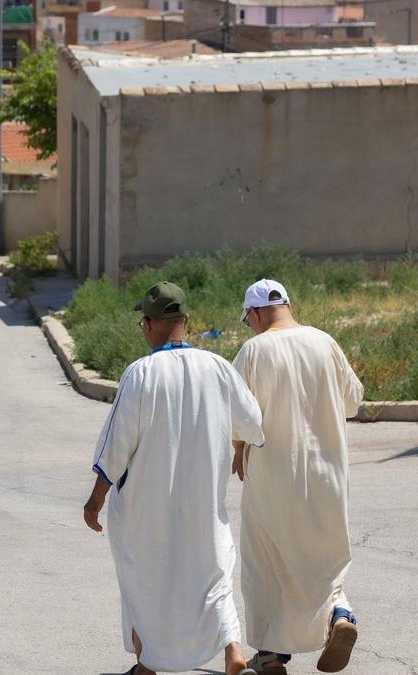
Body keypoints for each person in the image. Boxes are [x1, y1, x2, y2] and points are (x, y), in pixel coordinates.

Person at [83, 282, 264, 675]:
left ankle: (147, 664)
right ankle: (233, 652)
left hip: (144, 510)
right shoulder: (217, 368)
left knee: (142, 580)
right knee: (213, 575)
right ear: (186, 321)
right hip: (204, 503)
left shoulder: (140, 374)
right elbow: (253, 423)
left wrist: (95, 499)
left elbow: (116, 446)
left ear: (147, 325)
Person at [232, 280, 364, 674]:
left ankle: (272, 654)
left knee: (268, 563)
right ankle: (340, 614)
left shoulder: (253, 350)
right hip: (328, 475)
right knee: (324, 560)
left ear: (255, 313)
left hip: (273, 476)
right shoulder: (325, 342)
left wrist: (238, 448)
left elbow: (237, 413)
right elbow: (353, 402)